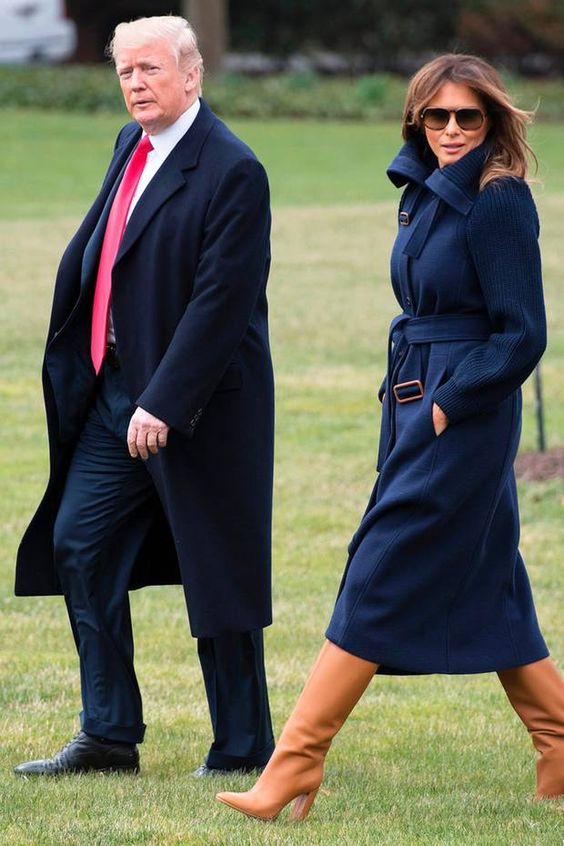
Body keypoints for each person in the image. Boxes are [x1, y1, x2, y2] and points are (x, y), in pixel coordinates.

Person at [216, 53, 564, 821]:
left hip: (463, 411)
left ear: (491, 120)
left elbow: (523, 334)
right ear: (416, 119)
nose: (451, 129)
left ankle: (294, 763)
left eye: (468, 116)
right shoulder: (421, 194)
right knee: (492, 577)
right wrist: (417, 401)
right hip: (417, 397)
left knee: (378, 567)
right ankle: (560, 741)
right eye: (437, 116)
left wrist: (447, 406)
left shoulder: (497, 199)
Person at [14, 15, 275, 777]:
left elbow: (222, 302)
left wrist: (165, 401)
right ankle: (108, 733)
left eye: (151, 68)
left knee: (217, 572)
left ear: (192, 75)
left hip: (200, 404)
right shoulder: (130, 144)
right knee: (79, 544)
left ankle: (242, 748)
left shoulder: (233, 169)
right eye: (125, 70)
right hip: (116, 393)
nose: (136, 83)